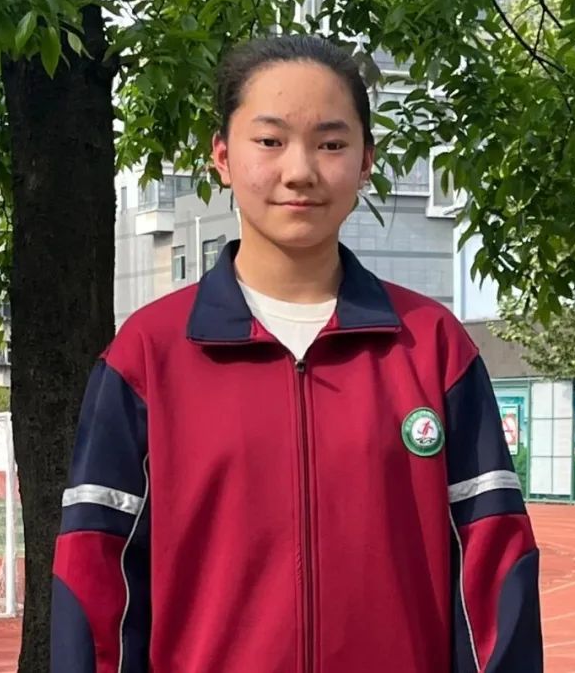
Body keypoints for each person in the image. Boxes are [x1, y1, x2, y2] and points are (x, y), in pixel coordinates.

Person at [51, 35, 543, 672]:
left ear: (366, 162)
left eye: (331, 144)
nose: (301, 170)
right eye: (270, 140)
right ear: (222, 157)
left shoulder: (432, 347)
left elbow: (494, 566)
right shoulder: (147, 357)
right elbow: (94, 578)